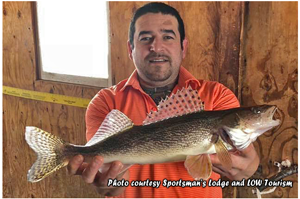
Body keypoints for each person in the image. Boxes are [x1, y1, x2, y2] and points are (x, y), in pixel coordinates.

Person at [67, 2, 259, 198]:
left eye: (167, 37)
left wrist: (248, 169)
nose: (156, 47)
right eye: (145, 38)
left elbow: (241, 164)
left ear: (183, 47)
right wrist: (110, 184)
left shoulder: (217, 96)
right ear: (130, 48)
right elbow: (105, 176)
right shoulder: (105, 102)